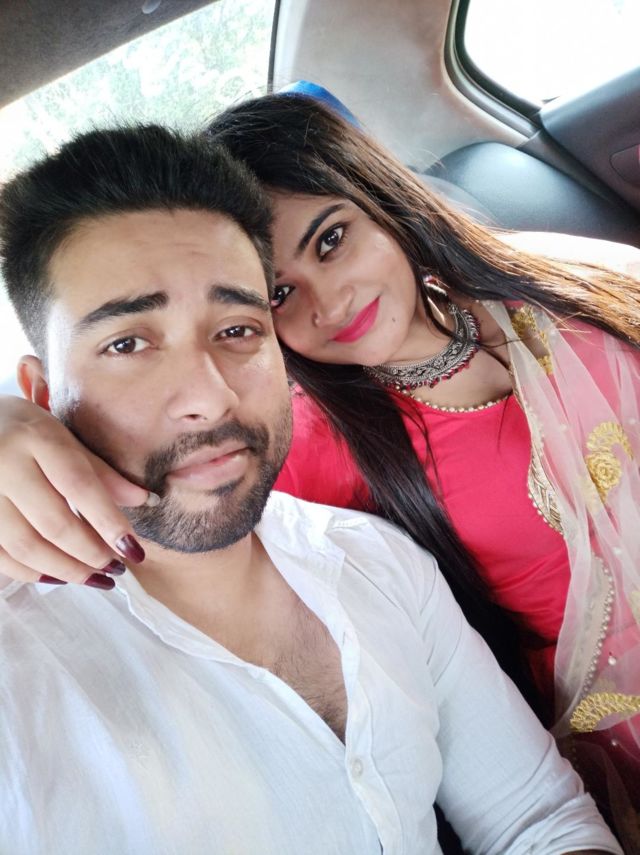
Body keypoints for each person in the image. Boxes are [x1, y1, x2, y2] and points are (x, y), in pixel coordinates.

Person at [0, 97, 638, 846]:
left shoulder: (375, 562)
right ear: (42, 394)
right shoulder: (310, 453)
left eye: (237, 328)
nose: (209, 396)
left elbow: (538, 820)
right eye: (128, 344)